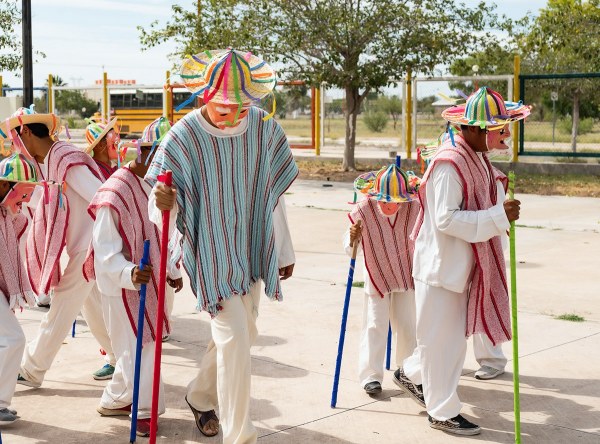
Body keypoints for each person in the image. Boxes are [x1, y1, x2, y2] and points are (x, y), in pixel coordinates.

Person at [147, 49, 298, 443]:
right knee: (235, 340)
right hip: (210, 252)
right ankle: (239, 435)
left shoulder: (265, 128)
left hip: (250, 247)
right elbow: (160, 202)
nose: (232, 113)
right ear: (203, 96)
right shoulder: (183, 135)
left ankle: (199, 395)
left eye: (241, 105)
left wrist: (283, 250)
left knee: (242, 331)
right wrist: (163, 200)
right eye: (223, 105)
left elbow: (271, 194)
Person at [396, 87, 530, 436]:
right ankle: (441, 411)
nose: (504, 134)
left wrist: (498, 211)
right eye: (497, 128)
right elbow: (446, 220)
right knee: (445, 345)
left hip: (461, 267)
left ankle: (409, 372)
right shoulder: (449, 164)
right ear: (473, 129)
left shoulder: (478, 158)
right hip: (441, 269)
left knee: (445, 341)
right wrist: (497, 216)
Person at [0, 107, 114, 388]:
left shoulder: (66, 160)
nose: (16, 145)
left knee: (63, 304)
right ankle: (118, 356)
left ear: (25, 131)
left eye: (16, 137)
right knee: (91, 305)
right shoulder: (50, 161)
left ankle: (32, 368)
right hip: (85, 245)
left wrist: (108, 243)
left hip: (90, 246)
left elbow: (102, 198)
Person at [83, 117, 182, 437]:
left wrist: (171, 269)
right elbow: (104, 250)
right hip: (120, 286)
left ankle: (115, 399)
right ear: (144, 153)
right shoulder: (114, 192)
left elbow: (167, 233)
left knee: (139, 347)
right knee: (138, 348)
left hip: (147, 282)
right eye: (163, 156)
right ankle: (142, 411)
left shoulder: (159, 186)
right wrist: (129, 273)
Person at [344, 158, 419, 395]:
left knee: (407, 325)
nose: (390, 206)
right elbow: (349, 247)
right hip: (377, 274)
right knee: (375, 324)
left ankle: (408, 371)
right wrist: (352, 236)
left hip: (406, 274)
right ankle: (370, 376)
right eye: (385, 201)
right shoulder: (363, 210)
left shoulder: (414, 208)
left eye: (396, 201)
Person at [0, 154, 40, 425]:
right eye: (19, 190)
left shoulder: (6, 213)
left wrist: (16, 209)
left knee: (10, 339)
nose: (23, 200)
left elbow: (20, 231)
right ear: (4, 185)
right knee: (14, 339)